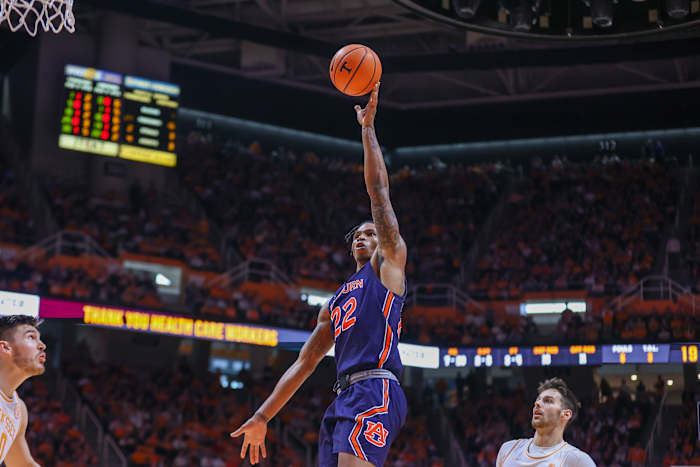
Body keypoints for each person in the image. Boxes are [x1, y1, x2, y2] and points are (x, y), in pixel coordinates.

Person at [231, 82, 407, 467]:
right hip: (343, 396)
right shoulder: (336, 302)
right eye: (358, 234)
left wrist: (367, 130)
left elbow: (378, 192)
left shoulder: (389, 267)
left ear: (385, 240)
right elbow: (305, 363)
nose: (364, 236)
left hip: (376, 387)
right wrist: (262, 416)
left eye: (371, 232)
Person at [496, 377, 595, 467]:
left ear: (566, 414)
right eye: (538, 399)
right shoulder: (508, 449)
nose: (537, 403)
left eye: (548, 401)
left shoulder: (577, 460)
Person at [0, 315, 47, 466]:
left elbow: (23, 464)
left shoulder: (19, 410)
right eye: (31, 337)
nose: (42, 345)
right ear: (6, 347)